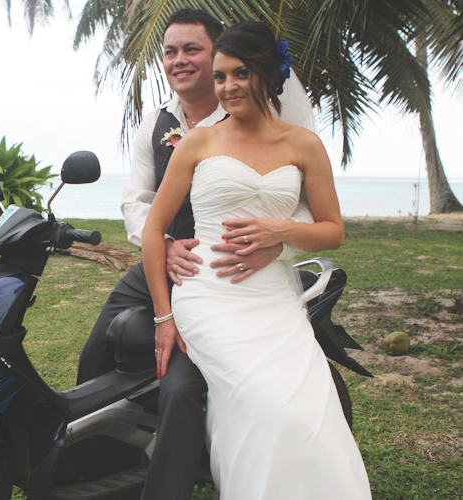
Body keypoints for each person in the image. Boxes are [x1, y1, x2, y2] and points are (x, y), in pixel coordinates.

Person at [76, 9, 317, 500]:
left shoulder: (260, 119)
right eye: (170, 51)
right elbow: (135, 199)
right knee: (96, 353)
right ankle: (98, 460)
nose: (179, 60)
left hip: (227, 269)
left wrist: (275, 241)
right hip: (160, 260)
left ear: (218, 56)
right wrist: (160, 244)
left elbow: (305, 204)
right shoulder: (156, 121)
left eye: (192, 50)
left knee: (181, 381)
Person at [141, 21, 372, 499]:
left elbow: (333, 231)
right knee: (262, 402)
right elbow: (152, 230)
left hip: (273, 297)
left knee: (310, 409)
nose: (227, 87)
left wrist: (281, 231)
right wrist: (164, 316)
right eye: (221, 77)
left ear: (266, 73)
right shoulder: (198, 143)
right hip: (208, 296)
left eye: (239, 74)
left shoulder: (303, 145)